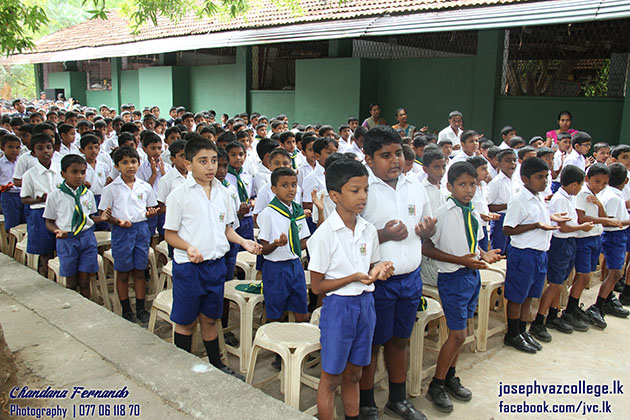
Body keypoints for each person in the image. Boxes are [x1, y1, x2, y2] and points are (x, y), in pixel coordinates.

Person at [164, 137, 261, 380]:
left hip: (215, 266)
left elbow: (226, 228)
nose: (210, 167)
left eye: (214, 161)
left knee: (210, 317)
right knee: (185, 321)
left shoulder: (223, 192)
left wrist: (243, 242)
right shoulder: (179, 195)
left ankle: (216, 364)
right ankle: (183, 368)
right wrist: (188, 247)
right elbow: (170, 234)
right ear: (188, 164)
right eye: (203, 161)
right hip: (190, 268)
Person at [307, 158, 394, 420]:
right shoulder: (325, 235)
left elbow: (371, 267)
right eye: (355, 191)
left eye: (366, 189)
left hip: (365, 306)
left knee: (355, 373)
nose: (363, 196)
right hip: (338, 309)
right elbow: (317, 286)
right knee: (331, 377)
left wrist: (380, 270)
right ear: (334, 195)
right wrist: (352, 277)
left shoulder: (367, 230)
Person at [359, 125, 435, 420]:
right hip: (376, 283)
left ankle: (398, 399)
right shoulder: (363, 189)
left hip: (410, 279)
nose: (395, 161)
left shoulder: (414, 185)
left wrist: (429, 229)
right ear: (368, 158)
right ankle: (366, 404)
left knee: (400, 340)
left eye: (399, 153)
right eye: (385, 155)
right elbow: (350, 241)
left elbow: (427, 225)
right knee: (373, 343)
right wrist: (383, 235)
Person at [423, 161, 502, 413]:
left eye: (472, 184)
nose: (468, 190)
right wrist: (461, 260)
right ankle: (436, 384)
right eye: (462, 185)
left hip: (471, 275)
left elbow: (471, 244)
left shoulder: (472, 212)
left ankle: (450, 376)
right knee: (456, 335)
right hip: (453, 278)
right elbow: (426, 248)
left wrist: (483, 254)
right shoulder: (443, 214)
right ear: (449, 186)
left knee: (463, 332)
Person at [502, 157, 570, 353]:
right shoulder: (519, 199)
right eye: (539, 177)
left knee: (530, 295)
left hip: (540, 253)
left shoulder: (539, 196)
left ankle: (522, 330)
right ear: (525, 179)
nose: (545, 181)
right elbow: (508, 229)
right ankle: (512, 333)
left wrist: (550, 217)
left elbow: (538, 217)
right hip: (523, 254)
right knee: (517, 297)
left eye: (547, 176)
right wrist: (537, 225)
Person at [529, 165, 594, 343]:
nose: (581, 188)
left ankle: (553, 315)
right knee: (556, 284)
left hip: (569, 242)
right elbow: (563, 227)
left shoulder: (569, 197)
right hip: (560, 243)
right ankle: (539, 321)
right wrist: (582, 227)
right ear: (574, 185)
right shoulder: (560, 199)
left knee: (562, 281)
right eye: (580, 185)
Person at [99, 146, 159, 323]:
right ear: (117, 166)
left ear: (139, 164)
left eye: (133, 162)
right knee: (123, 273)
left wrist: (150, 213)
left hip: (141, 229)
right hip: (122, 231)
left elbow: (150, 207)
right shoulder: (111, 189)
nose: (130, 166)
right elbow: (105, 215)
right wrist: (117, 221)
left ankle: (141, 308)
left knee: (140, 271)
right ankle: (126, 310)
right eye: (124, 162)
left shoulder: (145, 187)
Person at [43, 154, 109, 298]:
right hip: (67, 238)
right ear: (63, 174)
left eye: (83, 172)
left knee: (85, 279)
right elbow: (48, 221)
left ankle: (88, 306)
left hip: (87, 238)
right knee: (71, 280)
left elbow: (90, 218)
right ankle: (74, 307)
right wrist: (57, 231)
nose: (79, 176)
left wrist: (101, 218)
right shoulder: (55, 195)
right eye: (74, 172)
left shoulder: (87, 194)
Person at [567, 164, 621, 329]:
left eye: (604, 183)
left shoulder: (596, 196)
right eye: (596, 181)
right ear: (587, 179)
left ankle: (575, 306)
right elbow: (581, 218)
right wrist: (605, 220)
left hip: (595, 238)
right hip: (583, 239)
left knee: (585, 277)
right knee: (583, 276)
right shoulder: (582, 194)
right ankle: (569, 310)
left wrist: (599, 205)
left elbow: (604, 217)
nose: (600, 186)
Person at [258, 167, 310, 326]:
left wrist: (315, 241)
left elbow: (301, 243)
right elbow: (262, 249)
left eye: (294, 185)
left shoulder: (297, 210)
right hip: (276, 269)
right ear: (274, 189)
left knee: (302, 311)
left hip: (295, 266)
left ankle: (299, 347)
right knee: (276, 314)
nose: (291, 189)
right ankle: (275, 349)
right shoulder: (268, 213)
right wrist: (276, 244)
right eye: (285, 185)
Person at [587, 163, 630, 325]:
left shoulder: (612, 194)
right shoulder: (612, 197)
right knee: (616, 273)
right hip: (614, 237)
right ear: (625, 181)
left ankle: (607, 299)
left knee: (613, 271)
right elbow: (608, 222)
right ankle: (598, 306)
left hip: (616, 236)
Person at [20, 133, 62, 276]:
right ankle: (47, 275)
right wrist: (38, 200)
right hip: (40, 213)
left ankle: (60, 275)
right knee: (45, 250)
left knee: (61, 246)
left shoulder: (61, 171)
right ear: (34, 152)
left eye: (48, 147)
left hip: (60, 213)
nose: (45, 151)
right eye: (40, 148)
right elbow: (24, 199)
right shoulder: (30, 175)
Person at [137, 131, 169, 239]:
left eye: (159, 148)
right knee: (148, 235)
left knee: (165, 234)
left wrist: (163, 173)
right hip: (149, 207)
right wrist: (154, 175)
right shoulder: (140, 169)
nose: (157, 151)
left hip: (164, 206)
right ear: (145, 149)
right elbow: (141, 190)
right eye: (153, 148)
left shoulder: (167, 167)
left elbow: (171, 187)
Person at [225, 140, 256, 248]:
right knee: (232, 251)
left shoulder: (248, 176)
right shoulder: (224, 177)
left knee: (247, 249)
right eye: (233, 155)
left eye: (241, 154)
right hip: (232, 220)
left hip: (247, 219)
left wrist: (252, 201)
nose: (238, 158)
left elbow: (252, 195)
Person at [487, 149, 517, 255]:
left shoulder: (516, 181)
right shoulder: (496, 182)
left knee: (511, 250)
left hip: (513, 218)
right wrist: (509, 205)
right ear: (498, 164)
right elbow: (488, 206)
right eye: (508, 161)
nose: (512, 163)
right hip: (500, 219)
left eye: (514, 160)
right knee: (499, 251)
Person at [80, 134, 112, 231]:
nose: (94, 151)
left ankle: (102, 246)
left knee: (103, 225)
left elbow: (107, 181)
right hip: (86, 197)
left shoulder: (103, 165)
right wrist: (83, 185)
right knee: (89, 223)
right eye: (90, 148)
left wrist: (108, 182)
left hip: (101, 197)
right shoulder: (80, 166)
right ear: (82, 150)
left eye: (96, 148)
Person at [467, 156, 500, 252]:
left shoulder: (484, 186)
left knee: (483, 252)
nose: (487, 172)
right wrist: (480, 215)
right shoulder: (469, 189)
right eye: (483, 169)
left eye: (487, 169)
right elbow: (467, 208)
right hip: (472, 226)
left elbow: (484, 205)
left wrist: (489, 214)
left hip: (484, 226)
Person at [0, 134, 26, 232]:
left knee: (24, 221)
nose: (14, 150)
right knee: (11, 222)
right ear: (3, 147)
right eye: (10, 147)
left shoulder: (22, 162)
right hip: (8, 195)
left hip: (23, 194)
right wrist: (2, 187)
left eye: (17, 147)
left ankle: (20, 244)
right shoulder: (1, 163)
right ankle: (10, 243)